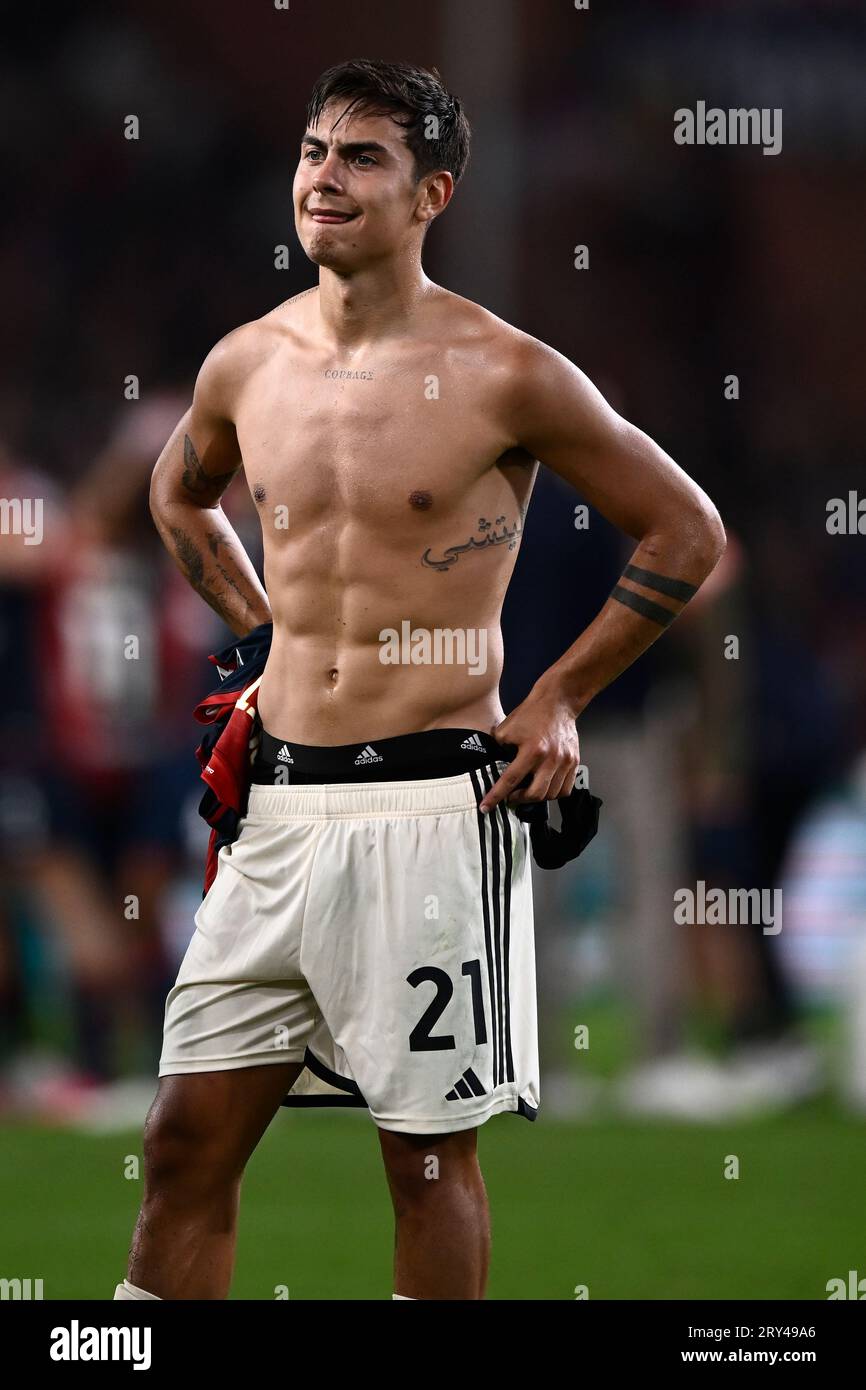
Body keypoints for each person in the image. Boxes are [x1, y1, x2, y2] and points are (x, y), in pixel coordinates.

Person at [114, 58, 725, 1302]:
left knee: (426, 1167)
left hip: (429, 812)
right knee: (181, 1143)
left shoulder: (506, 371)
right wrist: (257, 632)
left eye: (362, 157)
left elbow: (685, 530)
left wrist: (556, 695)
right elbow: (175, 494)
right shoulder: (247, 361)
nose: (322, 178)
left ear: (431, 191)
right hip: (275, 811)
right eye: (311, 151)